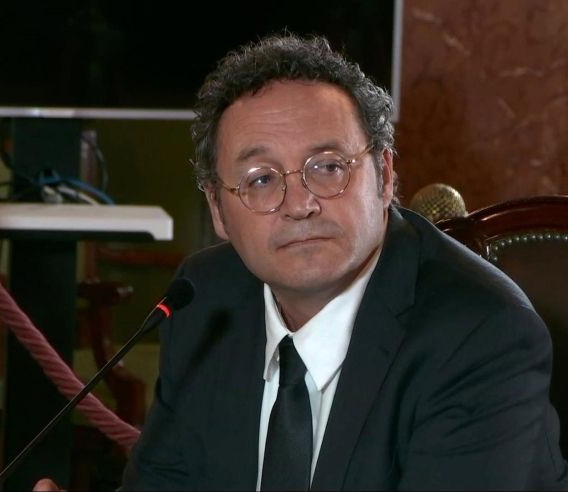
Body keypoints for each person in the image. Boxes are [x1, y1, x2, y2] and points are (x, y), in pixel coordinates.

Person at [38, 33, 567, 491]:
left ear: (385, 176)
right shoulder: (206, 298)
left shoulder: (480, 335)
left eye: (328, 167)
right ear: (218, 209)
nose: (299, 204)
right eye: (262, 179)